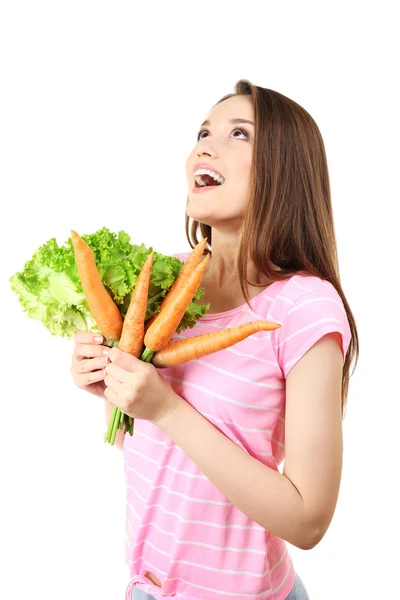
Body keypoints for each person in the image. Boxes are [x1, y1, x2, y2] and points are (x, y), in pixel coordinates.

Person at [71, 80, 359, 600]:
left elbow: (309, 520)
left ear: (285, 171)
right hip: (144, 588)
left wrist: (166, 409)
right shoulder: (160, 279)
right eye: (203, 131)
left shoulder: (303, 307)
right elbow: (145, 450)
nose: (205, 144)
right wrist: (112, 387)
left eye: (238, 134)